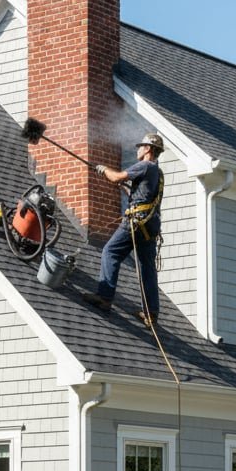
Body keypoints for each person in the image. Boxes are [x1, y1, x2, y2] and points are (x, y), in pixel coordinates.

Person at [84, 133, 165, 326]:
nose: (138, 149)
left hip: (135, 223)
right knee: (147, 268)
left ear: (148, 149)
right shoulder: (158, 173)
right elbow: (144, 197)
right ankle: (151, 313)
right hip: (149, 226)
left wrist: (103, 170)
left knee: (110, 252)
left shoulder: (144, 166)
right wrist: (127, 190)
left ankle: (104, 298)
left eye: (141, 146)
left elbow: (116, 176)